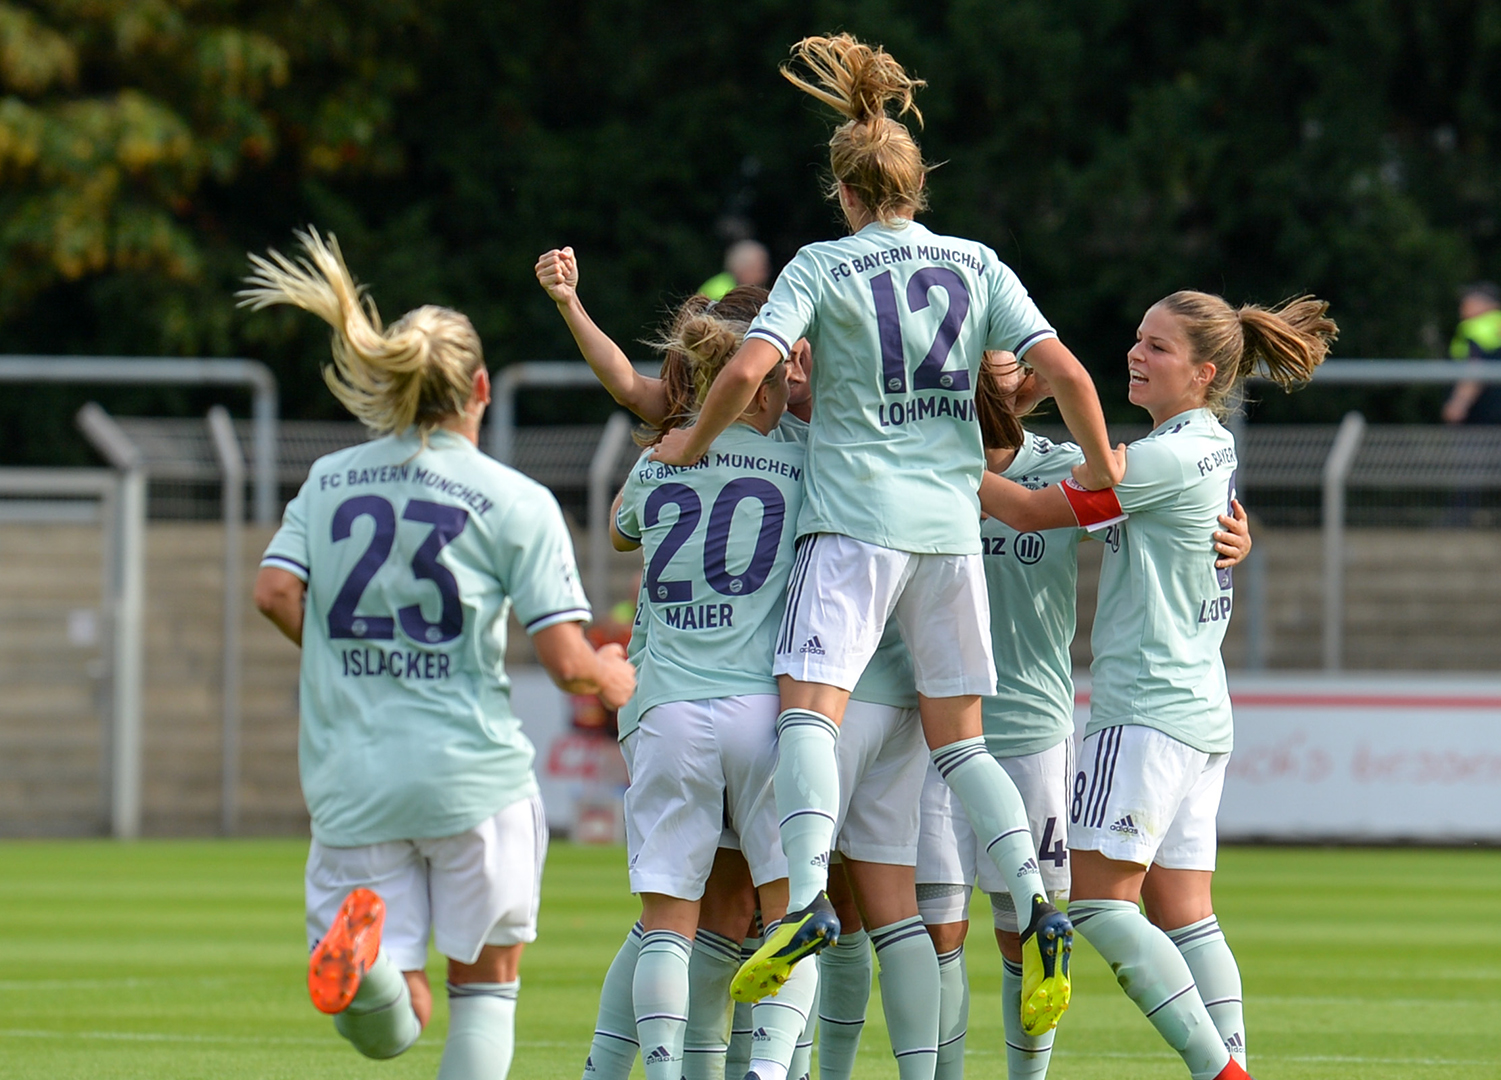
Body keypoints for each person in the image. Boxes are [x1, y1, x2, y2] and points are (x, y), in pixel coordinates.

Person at [652, 34, 1123, 1040]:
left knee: (808, 717)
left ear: (845, 190)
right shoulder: (977, 262)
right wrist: (1102, 467)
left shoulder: (824, 265)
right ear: (916, 186)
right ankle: (1040, 905)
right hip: (950, 528)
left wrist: (693, 442)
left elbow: (744, 372)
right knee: (961, 744)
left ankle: (811, 900)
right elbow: (1074, 376)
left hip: (855, 526)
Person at [240, 229, 636, 1080]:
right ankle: (374, 974)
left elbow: (275, 592)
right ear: (480, 388)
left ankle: (370, 972)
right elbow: (569, 661)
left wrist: (342, 654)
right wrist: (614, 674)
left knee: (397, 1014)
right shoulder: (515, 500)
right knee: (484, 992)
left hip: (353, 777)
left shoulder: (331, 479)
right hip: (472, 778)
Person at [539, 250, 932, 1080]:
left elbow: (620, 527)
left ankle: (652, 1064)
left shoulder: (658, 461)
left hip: (669, 708)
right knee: (797, 914)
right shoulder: (803, 460)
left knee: (667, 925)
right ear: (760, 378)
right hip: (769, 714)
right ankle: (765, 1071)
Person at [979, 290, 1336, 1080]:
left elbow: (1037, 511)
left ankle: (1221, 1072)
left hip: (1145, 712)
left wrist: (942, 465)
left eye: (1160, 348)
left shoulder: (1163, 457)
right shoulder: (1206, 443)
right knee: (1187, 914)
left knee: (1102, 906)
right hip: (1201, 712)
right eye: (1138, 338)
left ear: (1204, 372)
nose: (1136, 354)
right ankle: (1238, 1060)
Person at [898, 353, 1253, 1080]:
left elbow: (1159, 525)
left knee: (1028, 938)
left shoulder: (1072, 465)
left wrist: (1232, 543)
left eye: (1003, 363)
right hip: (930, 730)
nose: (991, 372)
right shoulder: (902, 467)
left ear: (1023, 386)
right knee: (936, 935)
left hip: (1033, 732)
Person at [1441, 282, 1501, 426]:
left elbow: (1475, 369)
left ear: (1485, 304)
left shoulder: (1474, 327)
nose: (1461, 307)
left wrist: (1458, 404)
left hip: (1478, 412)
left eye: (1467, 302)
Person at [701, 240, 772, 302]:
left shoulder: (729, 284)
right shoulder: (720, 293)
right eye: (761, 269)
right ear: (744, 269)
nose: (766, 274)